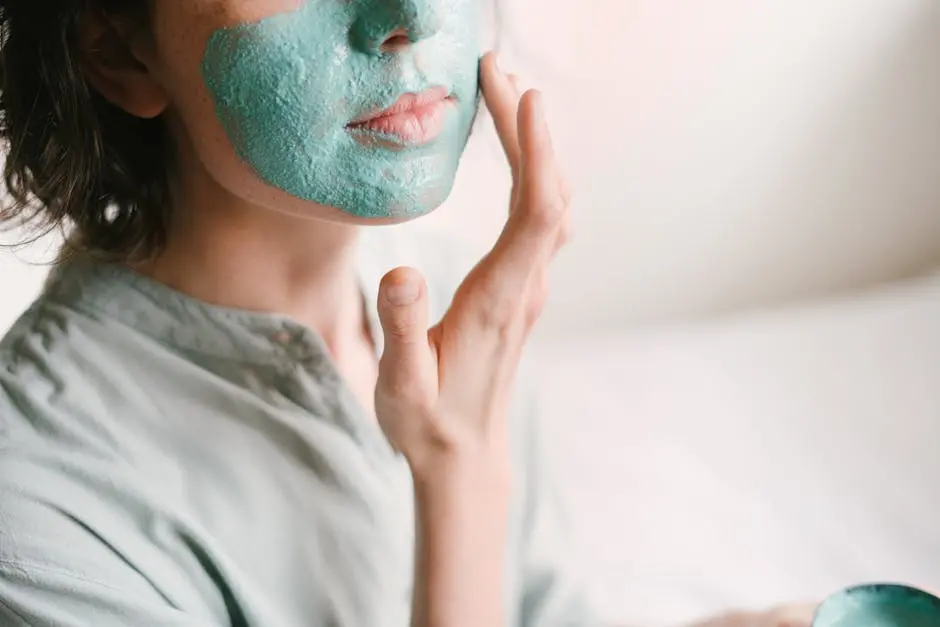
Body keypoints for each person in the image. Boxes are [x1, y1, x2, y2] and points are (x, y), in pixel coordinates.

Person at [0, 1, 822, 626]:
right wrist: (460, 469)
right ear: (116, 52)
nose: (411, 16)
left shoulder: (452, 293)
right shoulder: (38, 499)